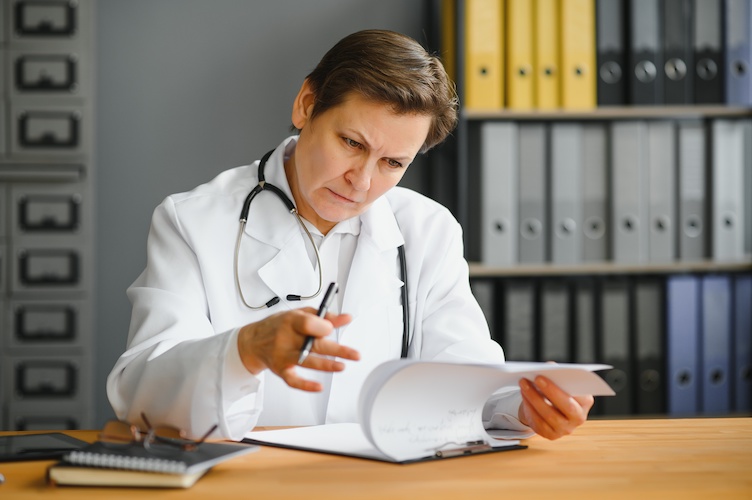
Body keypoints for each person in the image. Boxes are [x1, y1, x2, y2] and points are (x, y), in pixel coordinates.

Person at [107, 29, 593, 442]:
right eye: (351, 143)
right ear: (306, 105)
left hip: (379, 484)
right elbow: (140, 391)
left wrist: (528, 404)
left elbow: (464, 380)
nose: (361, 181)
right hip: (249, 481)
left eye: (392, 163)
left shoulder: (427, 229)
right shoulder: (193, 221)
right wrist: (245, 351)